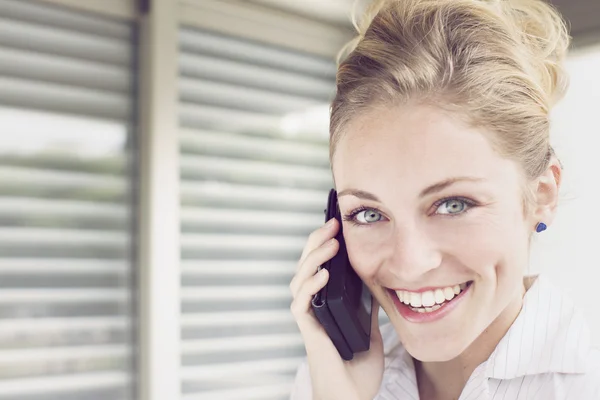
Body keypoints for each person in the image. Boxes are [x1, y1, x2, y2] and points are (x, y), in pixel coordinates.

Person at [288, 0, 600, 399]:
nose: (410, 264)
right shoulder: (327, 382)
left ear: (542, 194)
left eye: (454, 205)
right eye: (368, 213)